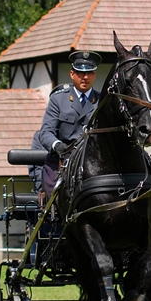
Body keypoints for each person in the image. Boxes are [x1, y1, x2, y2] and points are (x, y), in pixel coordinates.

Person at [38, 50, 102, 196]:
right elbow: (46, 132)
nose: (85, 77)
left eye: (90, 73)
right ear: (72, 74)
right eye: (80, 73)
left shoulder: (102, 101)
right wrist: (57, 145)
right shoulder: (58, 100)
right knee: (56, 196)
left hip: (95, 160)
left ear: (94, 75)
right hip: (64, 159)